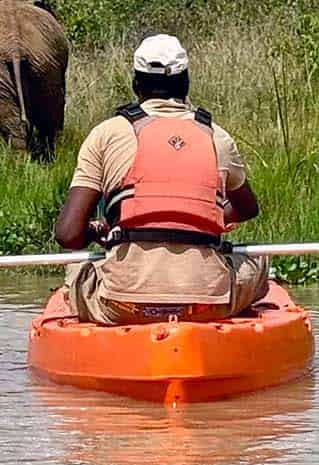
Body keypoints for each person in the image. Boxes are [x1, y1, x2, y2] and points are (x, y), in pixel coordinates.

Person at [52, 34, 268, 325]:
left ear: (136, 84)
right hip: (207, 303)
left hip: (122, 305)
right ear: (186, 82)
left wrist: (98, 230)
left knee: (76, 269)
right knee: (259, 261)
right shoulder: (218, 137)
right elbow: (247, 209)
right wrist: (206, 216)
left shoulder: (106, 134)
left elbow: (68, 235)